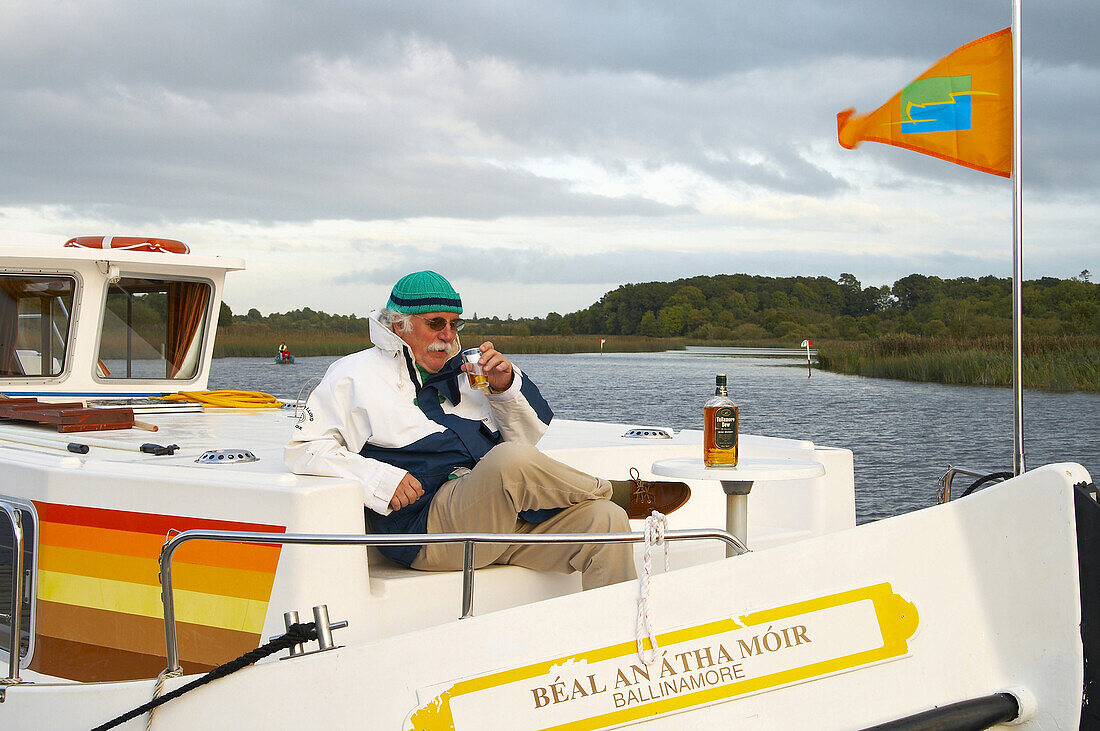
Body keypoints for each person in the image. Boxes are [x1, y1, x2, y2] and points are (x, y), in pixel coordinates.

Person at [284, 271, 689, 589]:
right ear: (399, 325)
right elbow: (305, 448)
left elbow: (527, 443)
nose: (448, 335)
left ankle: (612, 647)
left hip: (495, 521)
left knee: (606, 521)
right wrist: (377, 478)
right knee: (510, 463)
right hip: (427, 530)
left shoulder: (469, 372)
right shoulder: (355, 374)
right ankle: (617, 490)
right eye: (436, 323)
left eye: (455, 324)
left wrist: (505, 388)